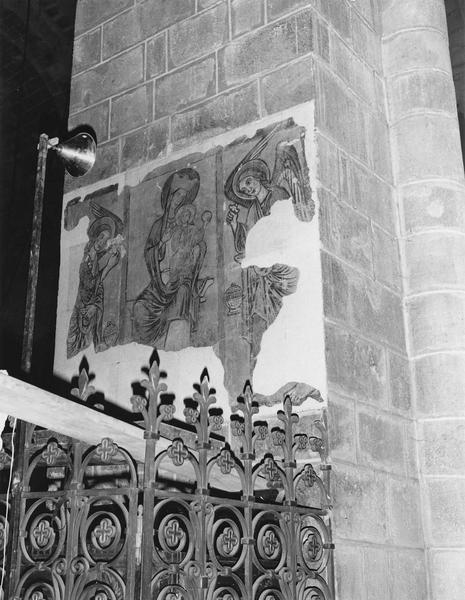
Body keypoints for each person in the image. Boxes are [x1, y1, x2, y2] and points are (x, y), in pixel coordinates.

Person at [133, 168, 212, 348]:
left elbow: (199, 243)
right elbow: (149, 252)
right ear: (170, 196)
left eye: (183, 198)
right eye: (177, 196)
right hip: (159, 282)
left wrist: (194, 251)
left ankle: (175, 343)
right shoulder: (158, 225)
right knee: (140, 306)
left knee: (183, 293)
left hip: (179, 278)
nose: (179, 201)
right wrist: (161, 246)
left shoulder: (188, 228)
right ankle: (148, 348)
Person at [67, 216, 120, 358]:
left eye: (105, 241)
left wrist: (110, 262)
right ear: (95, 236)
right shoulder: (86, 260)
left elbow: (97, 282)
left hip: (89, 312)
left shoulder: (96, 258)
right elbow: (89, 287)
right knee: (76, 346)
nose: (101, 242)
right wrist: (108, 266)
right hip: (81, 313)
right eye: (101, 237)